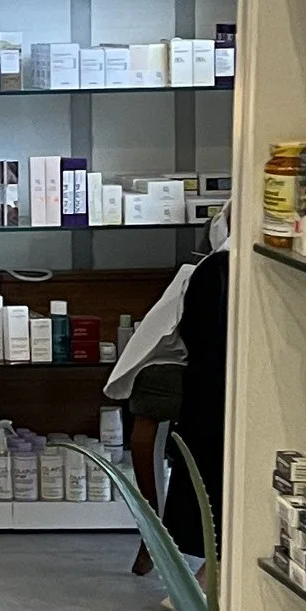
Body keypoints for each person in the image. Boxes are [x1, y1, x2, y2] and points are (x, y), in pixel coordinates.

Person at [103, 205, 229, 562]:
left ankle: (207, 562)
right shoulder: (208, 274)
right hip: (209, 389)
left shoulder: (214, 272)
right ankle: (181, 549)